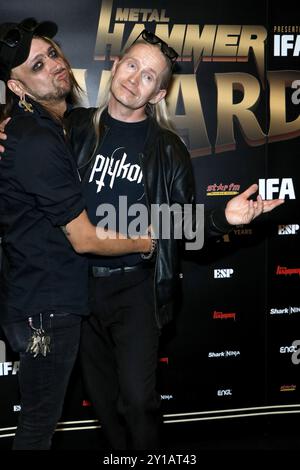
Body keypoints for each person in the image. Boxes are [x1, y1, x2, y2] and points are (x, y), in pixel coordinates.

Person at [0, 25, 284, 450]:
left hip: (136, 288)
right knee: (103, 403)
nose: (134, 78)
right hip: (80, 289)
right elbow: (27, 137)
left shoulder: (168, 149)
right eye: (131, 65)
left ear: (157, 94)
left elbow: (175, 223)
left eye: (148, 76)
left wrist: (223, 218)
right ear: (115, 66)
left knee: (136, 401)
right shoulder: (72, 127)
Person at [0, 18, 151, 450]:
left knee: (38, 424)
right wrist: (147, 240)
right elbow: (83, 238)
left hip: (45, 300)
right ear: (17, 87)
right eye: (36, 66)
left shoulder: (58, 127)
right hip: (45, 309)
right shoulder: (33, 139)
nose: (53, 64)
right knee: (36, 431)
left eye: (51, 53)